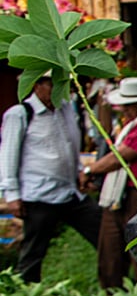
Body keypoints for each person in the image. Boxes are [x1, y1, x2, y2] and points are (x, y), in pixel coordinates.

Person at [0, 73, 101, 282]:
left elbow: (69, 146)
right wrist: (12, 194)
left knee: (104, 235)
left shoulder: (65, 109)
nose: (58, 88)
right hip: (39, 195)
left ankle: (118, 285)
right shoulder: (20, 114)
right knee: (33, 253)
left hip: (69, 191)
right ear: (37, 85)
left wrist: (79, 172)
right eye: (52, 84)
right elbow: (8, 154)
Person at [82, 76, 137, 290]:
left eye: (131, 106)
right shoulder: (130, 126)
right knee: (110, 250)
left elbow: (122, 156)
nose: (126, 110)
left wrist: (90, 170)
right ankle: (113, 295)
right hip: (117, 193)